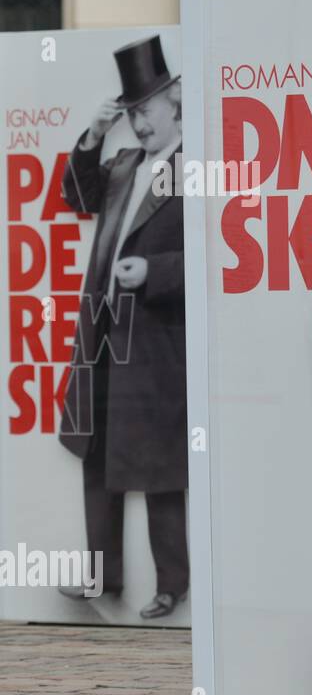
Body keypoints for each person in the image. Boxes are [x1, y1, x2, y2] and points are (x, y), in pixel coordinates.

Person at [57, 35, 189, 621]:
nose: (138, 122)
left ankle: (172, 585)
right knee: (96, 458)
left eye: (146, 110)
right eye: (131, 112)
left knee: (159, 467)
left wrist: (153, 272)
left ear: (174, 103)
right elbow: (76, 194)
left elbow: (211, 262)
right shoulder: (123, 165)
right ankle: (101, 578)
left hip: (156, 341)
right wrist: (90, 136)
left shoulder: (194, 171)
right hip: (103, 334)